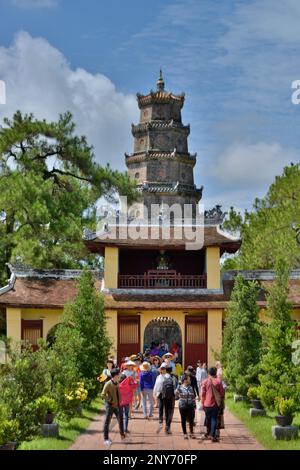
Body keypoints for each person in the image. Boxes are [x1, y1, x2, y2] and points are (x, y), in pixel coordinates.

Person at [101, 368, 125, 446]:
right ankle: (106, 439)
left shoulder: (117, 382)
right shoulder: (108, 384)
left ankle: (122, 435)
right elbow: (102, 395)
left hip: (117, 405)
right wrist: (110, 400)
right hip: (110, 405)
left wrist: (120, 400)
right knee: (107, 422)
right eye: (119, 374)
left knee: (120, 420)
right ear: (115, 375)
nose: (120, 375)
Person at [201, 367, 225, 442]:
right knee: (214, 419)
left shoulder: (205, 382)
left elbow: (202, 394)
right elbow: (222, 393)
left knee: (208, 419)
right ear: (215, 373)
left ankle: (208, 433)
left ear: (208, 373)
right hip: (215, 404)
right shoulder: (218, 382)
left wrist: (202, 403)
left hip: (206, 404)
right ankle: (212, 435)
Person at [175, 374, 197, 439]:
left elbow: (193, 396)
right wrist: (178, 386)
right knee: (183, 419)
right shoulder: (180, 387)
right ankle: (185, 433)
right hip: (182, 406)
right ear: (185, 380)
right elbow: (175, 394)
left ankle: (191, 433)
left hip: (190, 405)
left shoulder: (190, 387)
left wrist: (194, 404)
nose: (189, 380)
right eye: (188, 379)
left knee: (191, 419)